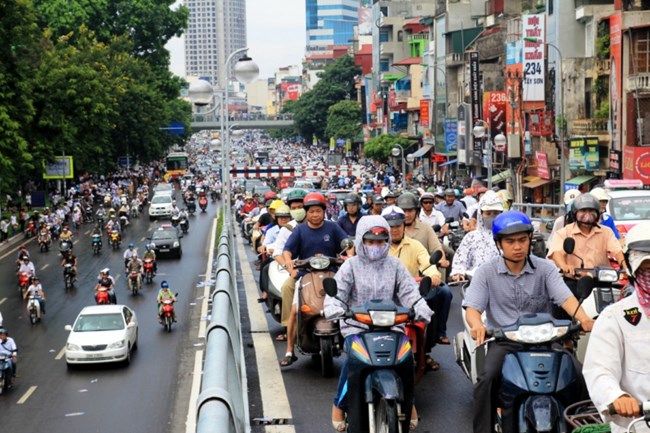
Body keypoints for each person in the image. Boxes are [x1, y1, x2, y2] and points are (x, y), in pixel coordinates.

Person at [462, 210, 594, 433]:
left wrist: (584, 319)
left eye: (522, 240)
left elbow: (565, 298)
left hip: (547, 340)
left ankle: (585, 426)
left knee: (581, 376)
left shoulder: (546, 268)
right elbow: (473, 308)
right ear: (499, 244)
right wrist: (477, 325)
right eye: (510, 241)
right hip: (505, 342)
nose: (517, 246)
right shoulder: (486, 272)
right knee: (486, 380)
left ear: (530, 240)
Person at [324, 216, 434, 431]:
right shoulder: (351, 266)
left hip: (391, 326)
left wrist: (420, 307)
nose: (376, 246)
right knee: (352, 363)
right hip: (357, 326)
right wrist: (333, 307)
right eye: (370, 242)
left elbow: (409, 292)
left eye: (381, 241)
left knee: (405, 359)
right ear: (360, 241)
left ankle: (409, 402)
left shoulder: (395, 265)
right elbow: (337, 293)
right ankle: (339, 403)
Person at [583, 221, 650, 433]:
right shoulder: (615, 317)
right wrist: (617, 396)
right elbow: (599, 369)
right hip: (637, 424)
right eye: (646, 269)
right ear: (632, 269)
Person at [279, 192, 350, 367]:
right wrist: (289, 262)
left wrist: (349, 256)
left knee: (349, 308)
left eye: (318, 211)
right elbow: (287, 250)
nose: (315, 215)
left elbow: (347, 244)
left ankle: (353, 346)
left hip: (332, 275)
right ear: (306, 213)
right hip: (306, 276)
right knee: (295, 311)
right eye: (311, 212)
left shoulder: (332, 227)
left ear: (324, 211)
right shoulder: (300, 230)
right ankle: (289, 350)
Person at [382, 205, 452, 371]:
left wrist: (434, 275)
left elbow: (427, 263)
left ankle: (429, 346)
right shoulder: (377, 247)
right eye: (390, 227)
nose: (395, 230)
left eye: (398, 226)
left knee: (443, 292)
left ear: (404, 226)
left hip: (411, 293)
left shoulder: (415, 245)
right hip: (383, 295)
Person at [548, 193, 626, 298]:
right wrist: (564, 265)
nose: (587, 215)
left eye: (591, 211)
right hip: (574, 281)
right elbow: (557, 252)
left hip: (601, 281)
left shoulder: (606, 232)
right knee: (561, 306)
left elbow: (617, 251)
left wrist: (625, 265)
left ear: (598, 213)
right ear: (575, 213)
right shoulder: (564, 232)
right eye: (583, 211)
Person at [450, 191, 504, 281]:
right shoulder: (471, 237)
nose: (491, 216)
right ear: (480, 213)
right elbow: (460, 259)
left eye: (495, 213)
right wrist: (458, 273)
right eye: (488, 213)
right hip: (475, 282)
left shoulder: (507, 236)